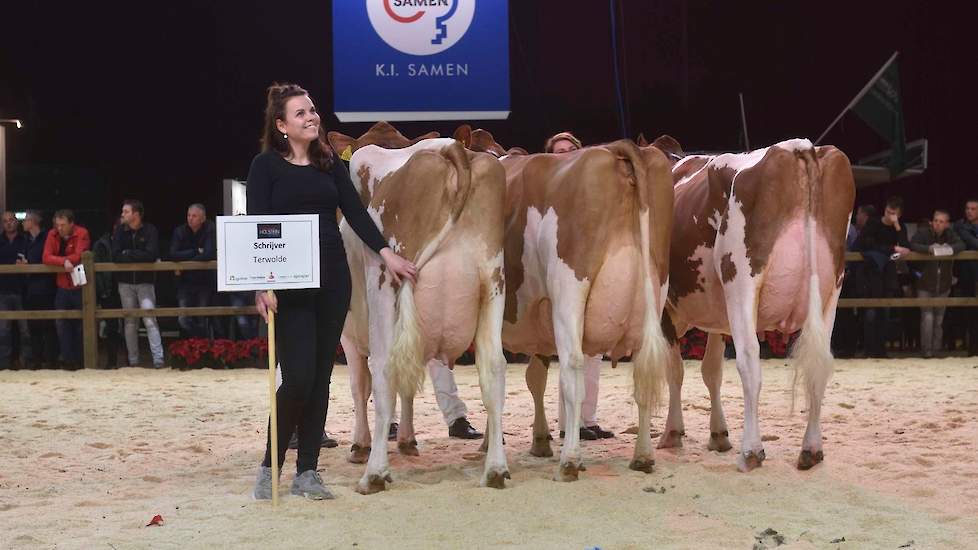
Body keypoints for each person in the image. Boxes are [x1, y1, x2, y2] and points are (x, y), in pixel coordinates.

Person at [248, 83, 416, 500]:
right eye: (301, 113)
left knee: (321, 377)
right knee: (298, 378)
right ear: (282, 125)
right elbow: (257, 229)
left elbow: (356, 213)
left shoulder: (328, 163)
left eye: (312, 110)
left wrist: (386, 254)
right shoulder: (265, 167)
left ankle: (307, 472)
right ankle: (271, 467)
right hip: (289, 284)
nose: (312, 117)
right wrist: (260, 285)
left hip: (333, 280)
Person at [540, 131, 614, 440]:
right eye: (559, 151)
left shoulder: (592, 190)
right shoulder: (543, 188)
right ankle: (567, 422)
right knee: (570, 349)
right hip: (554, 277)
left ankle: (588, 418)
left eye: (571, 150)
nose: (566, 154)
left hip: (588, 270)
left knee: (593, 347)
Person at [853, 196, 911, 358]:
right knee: (871, 312)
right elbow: (867, 244)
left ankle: (881, 350)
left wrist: (897, 226)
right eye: (888, 211)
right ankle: (869, 349)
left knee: (885, 311)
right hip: (871, 273)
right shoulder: (873, 223)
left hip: (889, 274)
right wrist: (892, 248)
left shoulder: (900, 227)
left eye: (893, 213)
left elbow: (905, 246)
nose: (889, 215)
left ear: (899, 215)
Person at [111, 199, 165, 368]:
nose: (122, 214)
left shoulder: (150, 230)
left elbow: (151, 254)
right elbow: (115, 256)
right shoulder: (120, 230)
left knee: (150, 319)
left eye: (126, 211)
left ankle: (158, 359)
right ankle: (133, 362)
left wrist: (128, 253)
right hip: (125, 282)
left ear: (136, 214)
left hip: (145, 282)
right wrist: (137, 254)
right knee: (130, 322)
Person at [911, 209, 964, 357]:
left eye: (941, 221)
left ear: (947, 224)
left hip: (944, 284)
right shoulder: (923, 233)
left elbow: (962, 245)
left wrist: (948, 249)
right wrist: (929, 249)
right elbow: (913, 245)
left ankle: (936, 350)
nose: (937, 224)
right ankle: (927, 351)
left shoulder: (950, 234)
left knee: (939, 320)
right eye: (935, 220)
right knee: (927, 317)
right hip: (925, 283)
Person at [42, 209, 90, 369]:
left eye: (63, 225)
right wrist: (64, 262)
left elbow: (80, 255)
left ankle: (82, 360)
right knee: (61, 323)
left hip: (79, 285)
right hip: (62, 285)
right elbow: (45, 257)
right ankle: (68, 360)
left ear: (71, 223)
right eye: (57, 225)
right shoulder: (52, 234)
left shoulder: (82, 233)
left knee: (81, 325)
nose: (59, 228)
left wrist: (64, 260)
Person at [833, 205, 876, 358]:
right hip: (850, 274)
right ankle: (846, 347)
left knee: (844, 313)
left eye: (860, 214)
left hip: (848, 275)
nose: (858, 217)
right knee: (845, 313)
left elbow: (848, 252)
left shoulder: (847, 229)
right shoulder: (852, 229)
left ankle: (846, 347)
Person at [170, 203, 217, 338]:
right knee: (183, 319)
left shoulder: (210, 228)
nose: (190, 219)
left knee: (202, 317)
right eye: (189, 215)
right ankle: (201, 341)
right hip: (185, 280)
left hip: (205, 281)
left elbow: (209, 254)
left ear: (203, 218)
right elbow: (172, 254)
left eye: (194, 216)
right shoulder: (180, 231)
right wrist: (196, 251)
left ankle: (203, 349)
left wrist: (185, 258)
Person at [22, 211, 58, 368]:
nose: (23, 223)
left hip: (46, 287)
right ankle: (37, 359)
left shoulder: (46, 238)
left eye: (25, 220)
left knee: (49, 325)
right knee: (33, 325)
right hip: (30, 288)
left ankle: (51, 360)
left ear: (33, 221)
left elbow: (46, 258)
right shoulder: (27, 240)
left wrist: (28, 263)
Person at [0, 211, 32, 369]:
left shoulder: (25, 240)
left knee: (25, 330)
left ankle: (26, 363)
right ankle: (4, 365)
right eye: (5, 221)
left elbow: (31, 260)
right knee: (4, 331)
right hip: (3, 291)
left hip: (22, 290)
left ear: (16, 222)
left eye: (11, 220)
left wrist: (27, 264)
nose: (8, 223)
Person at [93, 218, 123, 368]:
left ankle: (131, 361)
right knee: (111, 327)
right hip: (109, 290)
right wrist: (101, 291)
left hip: (125, 286)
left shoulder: (127, 241)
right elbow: (97, 272)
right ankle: (111, 361)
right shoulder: (102, 244)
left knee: (129, 324)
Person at [954, 198, 978, 355]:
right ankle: (972, 347)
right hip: (967, 272)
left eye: (973, 209)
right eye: (967, 208)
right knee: (969, 310)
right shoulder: (960, 226)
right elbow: (972, 243)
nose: (969, 211)